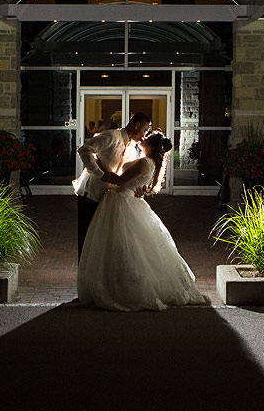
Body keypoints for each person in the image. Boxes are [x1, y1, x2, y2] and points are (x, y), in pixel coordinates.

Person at [77, 131, 208, 311]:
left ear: (151, 146)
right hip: (124, 199)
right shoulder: (148, 161)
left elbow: (120, 180)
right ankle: (116, 280)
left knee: (122, 244)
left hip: (121, 200)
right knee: (123, 244)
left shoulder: (145, 162)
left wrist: (99, 163)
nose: (143, 138)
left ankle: (122, 285)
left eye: (147, 138)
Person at [74, 112, 151, 258]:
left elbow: (127, 176)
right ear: (136, 125)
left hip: (107, 199)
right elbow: (84, 150)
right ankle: (84, 278)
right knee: (86, 240)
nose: (144, 136)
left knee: (99, 242)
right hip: (90, 194)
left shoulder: (132, 148)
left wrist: (138, 190)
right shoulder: (111, 136)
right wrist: (100, 174)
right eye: (144, 131)